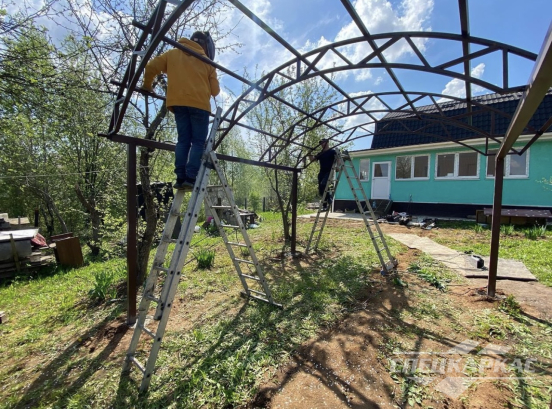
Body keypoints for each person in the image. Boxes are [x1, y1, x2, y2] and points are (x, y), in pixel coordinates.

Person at [141, 31, 220, 190]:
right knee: (198, 142)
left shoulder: (173, 53)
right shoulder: (207, 62)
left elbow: (150, 66)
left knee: (183, 140)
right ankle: (191, 178)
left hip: (178, 104)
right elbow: (215, 91)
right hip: (200, 106)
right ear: (205, 45)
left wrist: (147, 86)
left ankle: (180, 177)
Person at [309, 138, 337, 210]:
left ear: (327, 143)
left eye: (323, 142)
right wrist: (309, 154)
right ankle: (325, 204)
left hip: (329, 171)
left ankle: (329, 198)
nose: (322, 144)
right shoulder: (321, 153)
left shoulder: (332, 151)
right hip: (322, 172)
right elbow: (313, 159)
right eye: (321, 143)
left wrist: (338, 167)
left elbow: (338, 159)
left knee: (324, 184)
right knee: (321, 189)